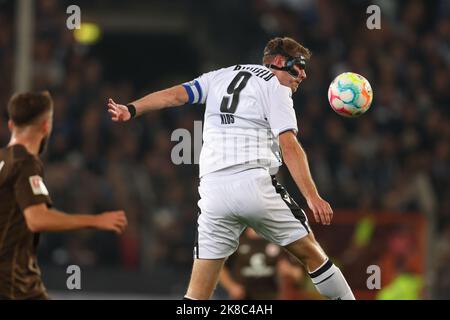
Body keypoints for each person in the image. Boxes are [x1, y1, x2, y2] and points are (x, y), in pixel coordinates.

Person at [108, 36, 355, 300]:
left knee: (197, 296)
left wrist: (132, 109)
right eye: (299, 66)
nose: (303, 75)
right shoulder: (275, 86)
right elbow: (289, 145)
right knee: (312, 254)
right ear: (280, 62)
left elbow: (173, 96)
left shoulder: (218, 76)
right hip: (254, 185)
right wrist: (311, 195)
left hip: (214, 193)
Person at [0, 91, 127, 300]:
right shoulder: (25, 164)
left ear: (11, 125)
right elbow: (37, 219)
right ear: (46, 127)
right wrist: (95, 220)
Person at [219, 227, 312, 300]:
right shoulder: (237, 239)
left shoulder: (280, 239)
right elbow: (219, 268)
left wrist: (289, 272)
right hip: (243, 297)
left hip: (272, 296)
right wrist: (231, 286)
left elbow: (298, 274)